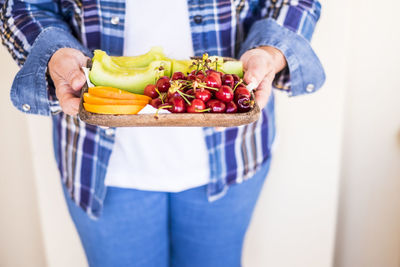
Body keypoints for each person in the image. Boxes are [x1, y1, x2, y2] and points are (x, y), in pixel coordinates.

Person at [0, 0, 325, 266]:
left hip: (233, 156)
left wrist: (271, 51)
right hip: (101, 164)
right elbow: (22, 6)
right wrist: (55, 54)